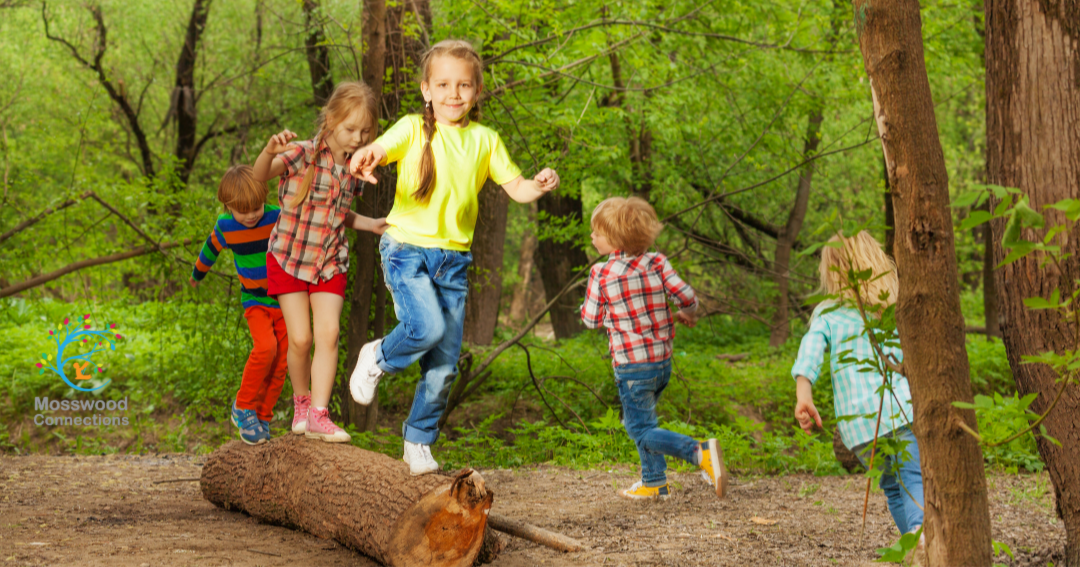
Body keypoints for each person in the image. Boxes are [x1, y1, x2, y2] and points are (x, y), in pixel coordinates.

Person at [348, 39, 559, 475]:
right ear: (426, 89)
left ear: (477, 91)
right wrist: (366, 155)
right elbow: (381, 149)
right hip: (406, 248)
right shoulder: (412, 128)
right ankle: (377, 356)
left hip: (453, 261)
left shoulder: (485, 140)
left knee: (444, 364)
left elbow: (516, 188)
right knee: (424, 327)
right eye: (443, 84)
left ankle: (418, 441)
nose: (453, 94)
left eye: (464, 85)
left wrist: (538, 184)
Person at [253, 81, 388, 443]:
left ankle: (319, 414)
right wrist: (268, 152)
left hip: (330, 261)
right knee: (300, 339)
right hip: (289, 258)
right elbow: (259, 176)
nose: (358, 138)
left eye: (365, 131)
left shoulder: (357, 167)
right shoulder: (302, 154)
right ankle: (301, 402)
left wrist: (369, 223)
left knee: (329, 335)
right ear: (329, 121)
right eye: (350, 129)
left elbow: (338, 213)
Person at [581, 196, 727, 500]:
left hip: (632, 367)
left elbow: (591, 320)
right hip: (662, 363)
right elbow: (686, 296)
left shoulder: (601, 273)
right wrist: (687, 312)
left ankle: (699, 452)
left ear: (616, 236)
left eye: (597, 231)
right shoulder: (656, 261)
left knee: (640, 429)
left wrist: (607, 313)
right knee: (644, 423)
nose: (592, 237)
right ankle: (654, 482)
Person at [792, 230, 925, 538]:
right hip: (901, 411)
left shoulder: (826, 313)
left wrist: (803, 395)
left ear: (831, 270)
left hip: (859, 428)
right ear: (875, 260)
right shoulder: (893, 307)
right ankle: (921, 536)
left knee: (893, 487)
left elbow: (810, 351)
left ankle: (916, 549)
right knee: (913, 477)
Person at [191, 165, 286, 445]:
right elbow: (210, 249)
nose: (252, 215)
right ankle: (243, 407)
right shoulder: (225, 226)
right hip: (255, 301)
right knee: (265, 348)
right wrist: (198, 273)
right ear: (228, 206)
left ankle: (263, 417)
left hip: (283, 300)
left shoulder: (275, 216)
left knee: (282, 361)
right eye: (243, 211)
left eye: (256, 207)